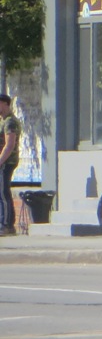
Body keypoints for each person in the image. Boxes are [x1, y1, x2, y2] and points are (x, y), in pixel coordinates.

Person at [0, 93, 22, 236]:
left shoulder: (10, 122)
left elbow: (9, 145)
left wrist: (0, 161)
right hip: (3, 161)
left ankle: (7, 225)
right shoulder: (3, 121)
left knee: (3, 192)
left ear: (6, 104)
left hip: (7, 161)